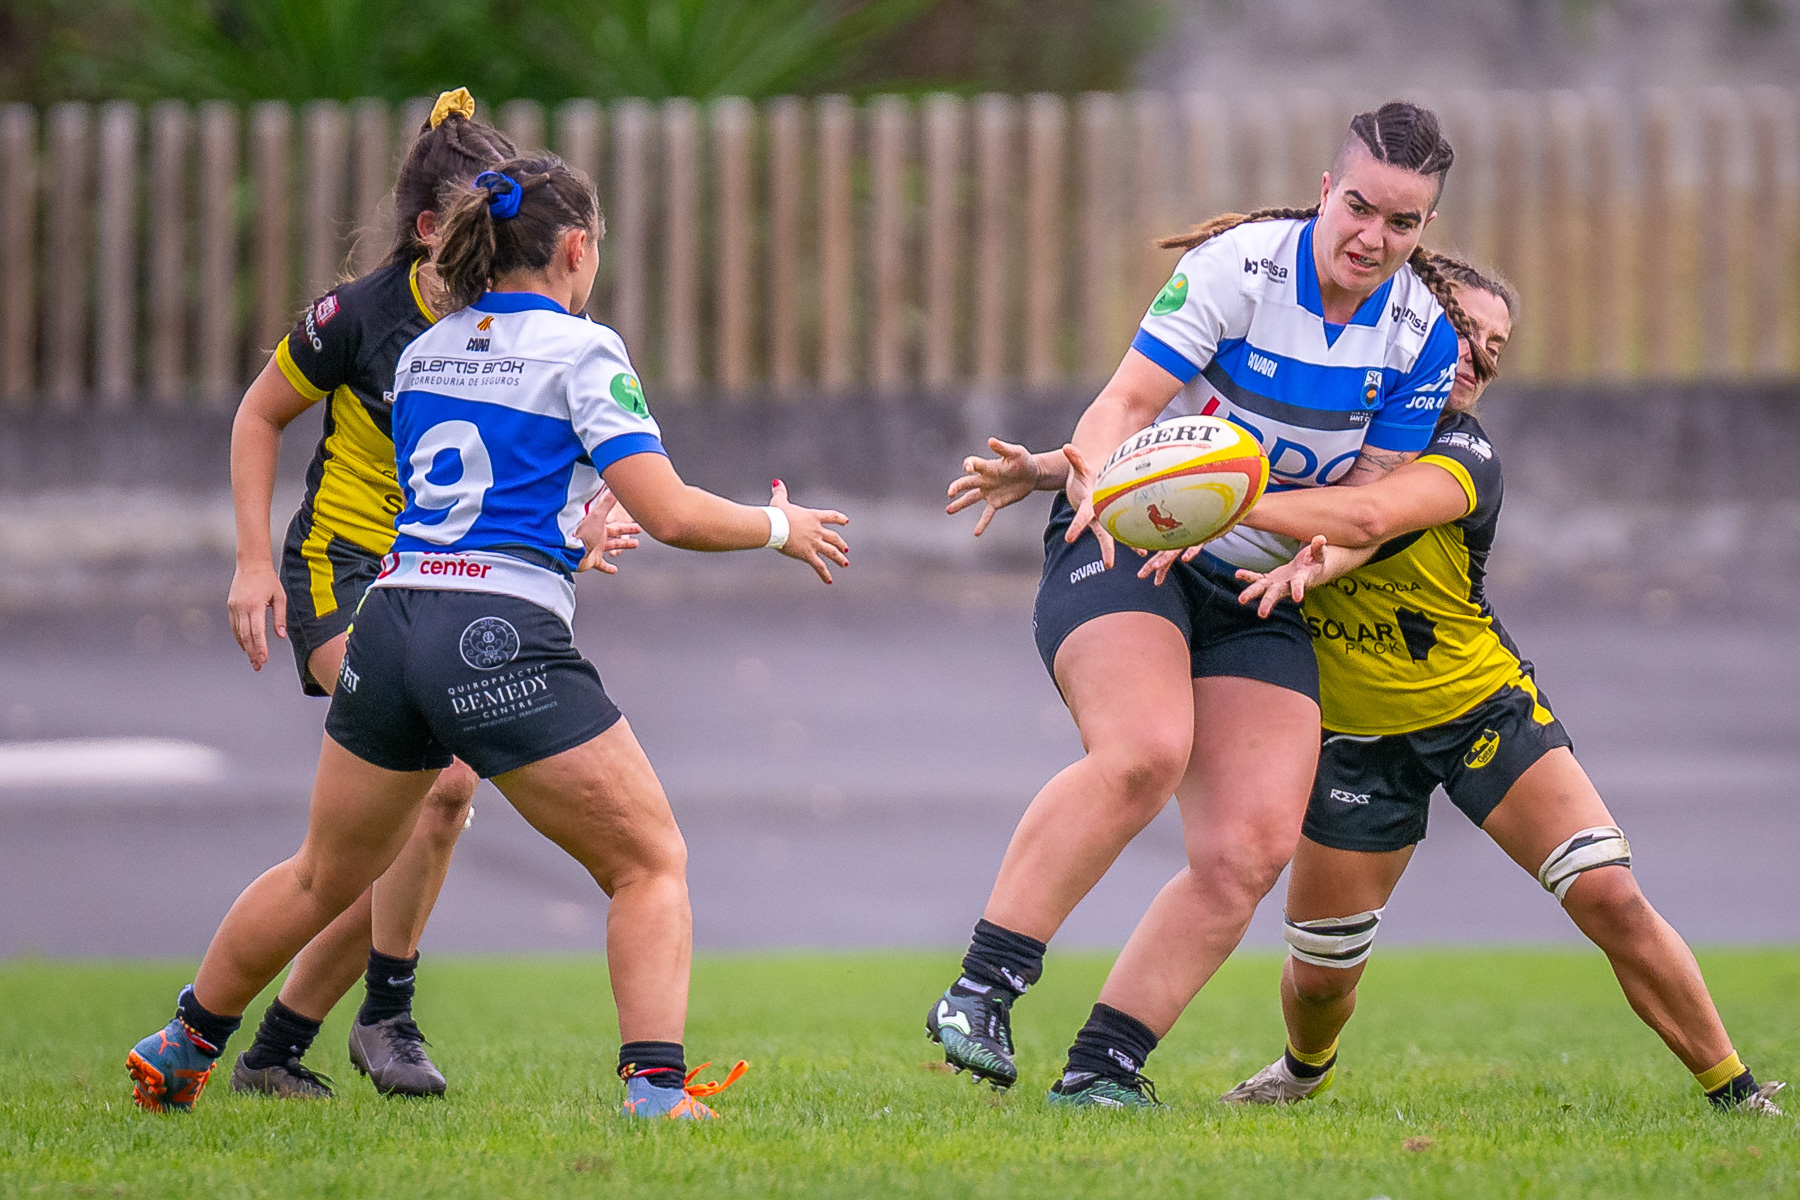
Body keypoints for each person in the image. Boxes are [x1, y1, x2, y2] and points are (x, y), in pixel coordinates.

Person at [127, 153, 850, 1120]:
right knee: (648, 862)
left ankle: (182, 1043)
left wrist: (570, 527)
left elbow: (471, 499)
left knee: (321, 874)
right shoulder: (584, 350)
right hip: (495, 633)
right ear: (576, 249)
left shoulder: (426, 352)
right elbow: (670, 512)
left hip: (390, 624)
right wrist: (777, 527)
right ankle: (655, 1090)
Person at [929, 101, 1487, 1104]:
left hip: (1258, 586)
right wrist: (1092, 479)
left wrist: (1315, 565)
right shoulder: (1239, 269)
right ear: (1327, 190)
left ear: (1425, 228)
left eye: (1403, 223)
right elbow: (1126, 404)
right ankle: (984, 987)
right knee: (1145, 750)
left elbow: (1364, 509)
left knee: (1251, 847)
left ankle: (1104, 1067)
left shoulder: (1421, 340)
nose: (1374, 237)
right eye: (1360, 208)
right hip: (1129, 542)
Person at [1216, 257, 1786, 1115]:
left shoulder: (1464, 450)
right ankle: (1304, 1069)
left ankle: (1737, 1095)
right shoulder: (1313, 428)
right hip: (1355, 740)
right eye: (1465, 331)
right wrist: (1072, 471)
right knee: (1323, 976)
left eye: (1497, 345)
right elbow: (1172, 446)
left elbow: (1366, 520)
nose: (1480, 356)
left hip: (1483, 709)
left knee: (1609, 893)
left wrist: (1221, 498)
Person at [221, 90, 560, 1100]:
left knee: (408, 823)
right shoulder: (360, 316)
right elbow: (257, 417)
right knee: (444, 780)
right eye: (477, 219)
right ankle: (383, 1012)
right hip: (343, 572)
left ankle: (277, 1047)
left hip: (438, 579)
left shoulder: (516, 322)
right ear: (427, 229)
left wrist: (587, 523)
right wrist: (250, 562)